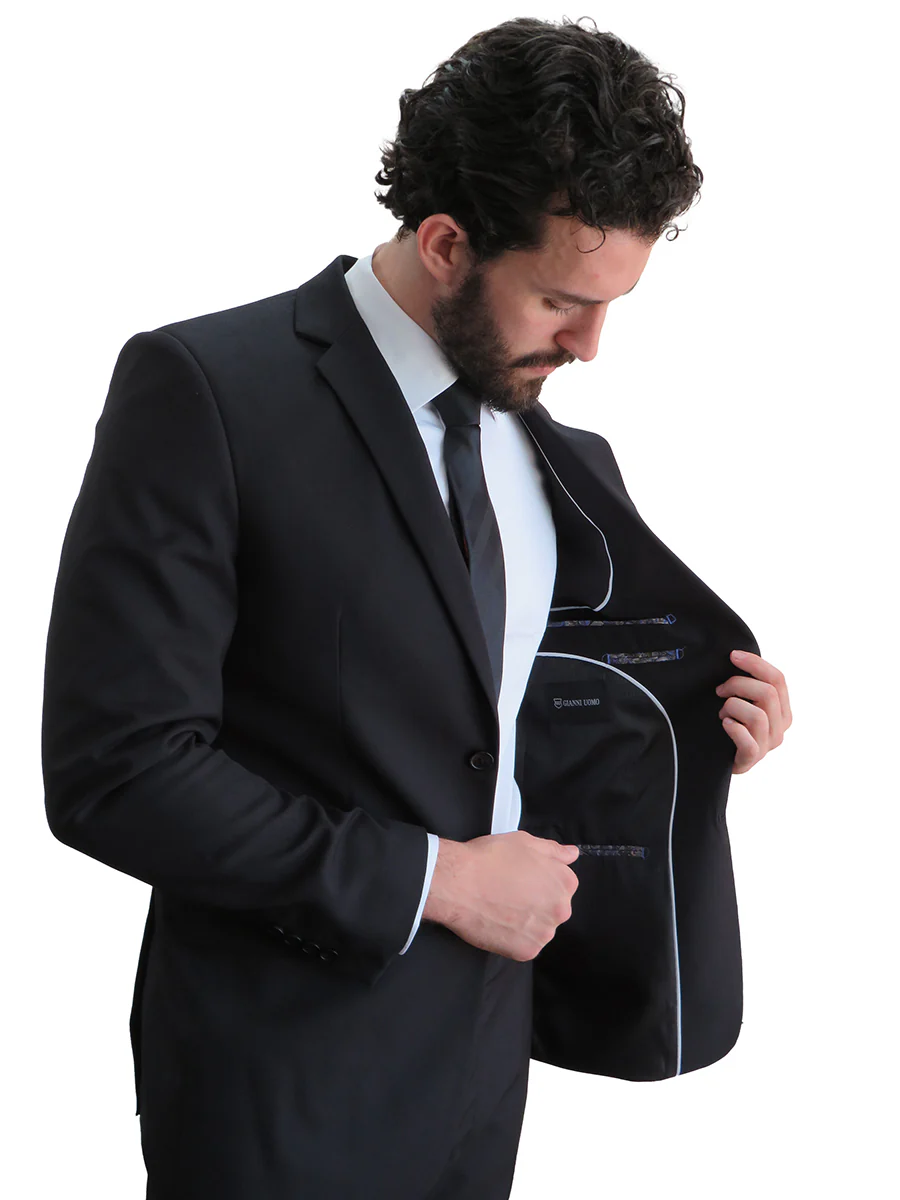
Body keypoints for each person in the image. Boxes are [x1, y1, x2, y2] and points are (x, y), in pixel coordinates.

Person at [41, 15, 792, 1200]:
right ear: (445, 242)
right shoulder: (206, 393)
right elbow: (117, 771)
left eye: (613, 303)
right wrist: (436, 882)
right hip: (278, 1089)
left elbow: (514, 722)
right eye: (561, 300)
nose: (593, 345)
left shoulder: (566, 461)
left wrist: (695, 725)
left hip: (486, 1073)